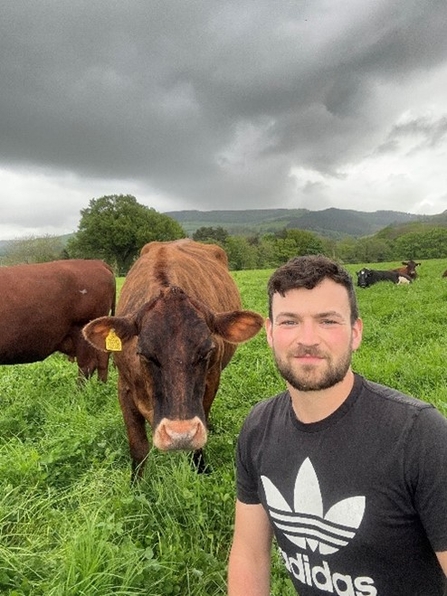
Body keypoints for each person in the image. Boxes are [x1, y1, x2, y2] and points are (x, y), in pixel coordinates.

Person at [227, 254, 447, 596]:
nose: (308, 338)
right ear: (269, 333)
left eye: (328, 321)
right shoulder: (258, 427)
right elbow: (249, 554)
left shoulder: (420, 436)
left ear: (355, 332)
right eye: (289, 322)